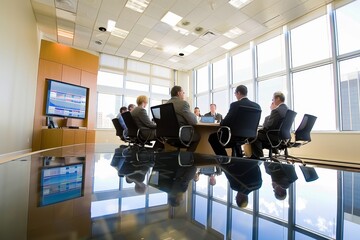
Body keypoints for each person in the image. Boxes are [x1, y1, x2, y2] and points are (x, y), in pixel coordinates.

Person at [208, 85, 261, 157]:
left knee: (212, 137)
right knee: (237, 140)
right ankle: (238, 158)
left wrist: (221, 122)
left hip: (233, 136)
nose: (235, 95)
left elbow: (225, 122)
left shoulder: (235, 105)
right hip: (249, 137)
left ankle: (224, 161)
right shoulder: (257, 106)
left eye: (235, 93)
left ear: (238, 93)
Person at [250, 91, 288, 159]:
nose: (272, 101)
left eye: (273, 99)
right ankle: (256, 156)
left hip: (274, 137)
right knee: (259, 134)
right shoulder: (287, 110)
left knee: (254, 136)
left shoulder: (276, 110)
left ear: (278, 98)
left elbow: (269, 127)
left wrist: (260, 129)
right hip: (283, 138)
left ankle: (258, 158)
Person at [167, 86, 200, 152]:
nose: (184, 94)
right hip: (181, 133)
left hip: (168, 135)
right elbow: (193, 121)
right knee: (197, 136)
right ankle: (187, 158)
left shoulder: (166, 104)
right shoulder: (183, 103)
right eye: (183, 92)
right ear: (179, 93)